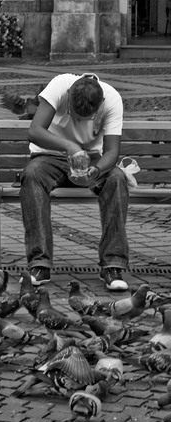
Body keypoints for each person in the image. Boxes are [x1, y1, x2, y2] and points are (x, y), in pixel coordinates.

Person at [19, 73, 129, 291]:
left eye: (85, 118)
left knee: (117, 178)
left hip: (93, 160)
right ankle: (39, 264)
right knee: (32, 174)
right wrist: (69, 146)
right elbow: (35, 131)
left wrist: (96, 170)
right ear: (68, 95)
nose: (78, 122)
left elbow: (112, 152)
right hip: (50, 157)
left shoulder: (112, 99)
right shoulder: (59, 85)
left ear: (101, 104)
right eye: (74, 114)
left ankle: (113, 265)